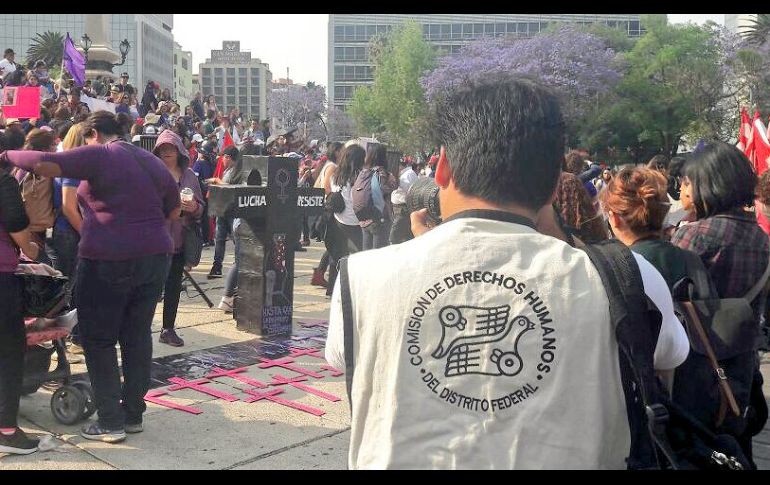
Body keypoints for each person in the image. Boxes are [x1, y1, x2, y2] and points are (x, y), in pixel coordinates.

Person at [325, 75, 689, 469]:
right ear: (554, 186)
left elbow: (352, 363)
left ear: (443, 168)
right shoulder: (629, 277)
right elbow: (666, 367)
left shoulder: (361, 278)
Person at [0, 111, 180, 443]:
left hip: (108, 259)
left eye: (85, 137)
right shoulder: (150, 160)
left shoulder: (101, 153)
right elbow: (173, 208)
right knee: (137, 335)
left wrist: (6, 154)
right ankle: (133, 415)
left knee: (98, 339)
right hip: (155, 258)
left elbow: (43, 163)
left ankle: (110, 421)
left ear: (93, 132)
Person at [671, 141, 770, 465]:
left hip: (698, 366)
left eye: (687, 181)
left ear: (708, 184)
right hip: (743, 366)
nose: (683, 188)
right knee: (737, 449)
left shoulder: (693, 235)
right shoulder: (762, 238)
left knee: (701, 451)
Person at [0, 131, 41, 455]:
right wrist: (31, 248)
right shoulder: (4, 181)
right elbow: (16, 224)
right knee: (9, 353)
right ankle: (7, 429)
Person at [153, 130, 204, 347]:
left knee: (173, 287)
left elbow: (201, 207)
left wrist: (194, 207)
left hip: (180, 241)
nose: (166, 153)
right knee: (150, 289)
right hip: (154, 242)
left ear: (178, 151)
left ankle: (168, 328)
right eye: (162, 149)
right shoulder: (151, 174)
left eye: (170, 149)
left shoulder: (190, 175)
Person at [325, 143, 365, 297]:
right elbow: (357, 201)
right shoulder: (358, 177)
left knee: (338, 255)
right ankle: (353, 288)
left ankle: (332, 288)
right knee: (358, 255)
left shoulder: (336, 175)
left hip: (338, 219)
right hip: (354, 221)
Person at [207, 146, 242, 312]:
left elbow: (229, 188)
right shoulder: (231, 170)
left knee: (239, 253)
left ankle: (229, 295)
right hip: (223, 212)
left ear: (229, 157)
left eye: (224, 157)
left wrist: (217, 181)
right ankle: (217, 266)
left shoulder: (237, 170)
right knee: (223, 243)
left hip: (230, 214)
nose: (222, 160)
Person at [360, 143, 398, 250]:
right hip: (380, 218)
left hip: (364, 218)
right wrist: (391, 181)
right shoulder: (381, 172)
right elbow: (385, 189)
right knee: (378, 255)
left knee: (366, 254)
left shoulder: (363, 172)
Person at [389, 156, 420, 245]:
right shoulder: (404, 173)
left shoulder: (408, 174)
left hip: (403, 207)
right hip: (398, 207)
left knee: (395, 235)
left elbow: (411, 190)